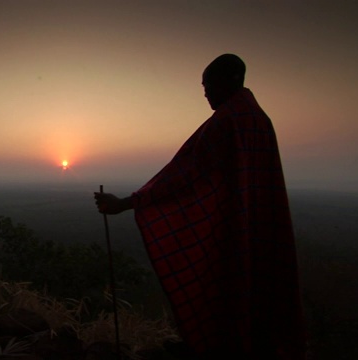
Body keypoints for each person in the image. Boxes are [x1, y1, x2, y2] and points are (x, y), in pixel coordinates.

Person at [94, 54, 306, 359]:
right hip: (256, 225)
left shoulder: (227, 121)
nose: (205, 92)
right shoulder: (258, 119)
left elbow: (183, 176)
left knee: (223, 286)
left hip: (231, 227)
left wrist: (126, 203)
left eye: (208, 85)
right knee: (255, 287)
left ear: (231, 80)